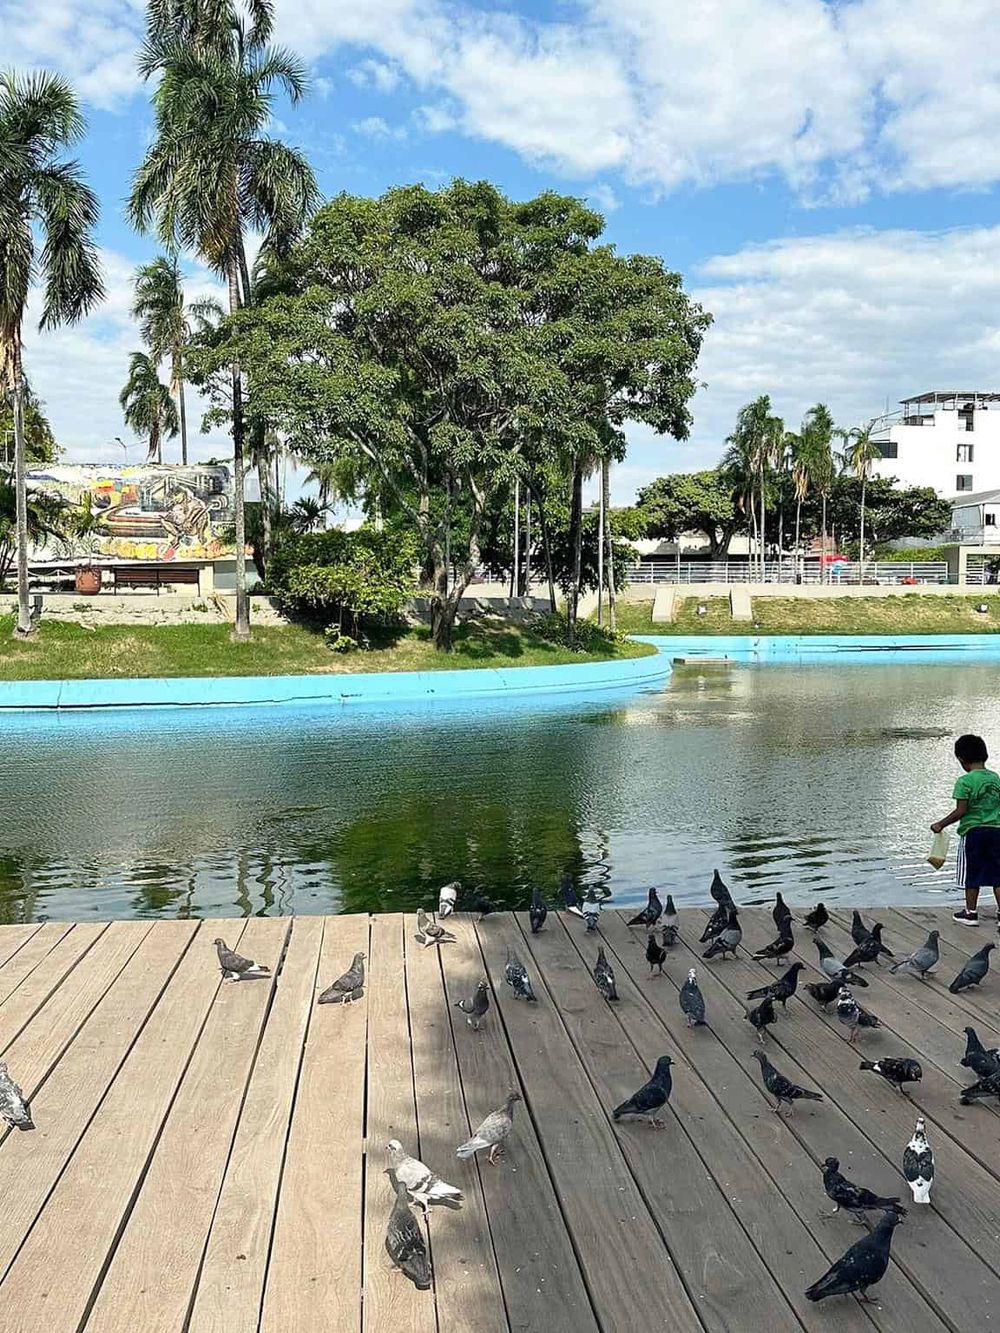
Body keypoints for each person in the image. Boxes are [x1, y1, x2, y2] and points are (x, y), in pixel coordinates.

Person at [931, 734, 1000, 926]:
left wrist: (940, 824)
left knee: (972, 873)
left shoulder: (965, 781)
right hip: (996, 831)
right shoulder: (996, 779)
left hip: (973, 833)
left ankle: (970, 913)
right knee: (998, 874)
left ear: (961, 759)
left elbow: (961, 811)